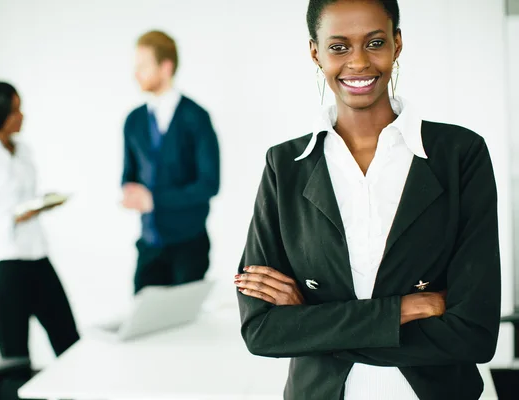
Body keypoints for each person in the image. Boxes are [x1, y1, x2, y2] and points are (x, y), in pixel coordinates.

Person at [234, 1, 501, 399]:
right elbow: (262, 331)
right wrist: (403, 310)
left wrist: (308, 321)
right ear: (315, 52)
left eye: (374, 42)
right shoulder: (284, 166)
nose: (358, 62)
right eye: (339, 47)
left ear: (397, 44)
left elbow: (474, 335)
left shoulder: (460, 155)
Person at [0, 81, 79, 361]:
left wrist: (41, 202)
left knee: (69, 342)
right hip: (4, 264)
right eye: (15, 110)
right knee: (15, 356)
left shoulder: (24, 150)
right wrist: (13, 218)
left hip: (36, 255)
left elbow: (23, 197)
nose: (22, 115)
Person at [121, 31, 220, 294]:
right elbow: (128, 175)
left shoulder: (196, 118)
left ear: (166, 67)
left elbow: (209, 184)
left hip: (189, 246)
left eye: (143, 66)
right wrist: (129, 192)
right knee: (143, 326)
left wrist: (154, 199)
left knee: (185, 331)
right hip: (149, 244)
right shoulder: (133, 121)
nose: (136, 74)